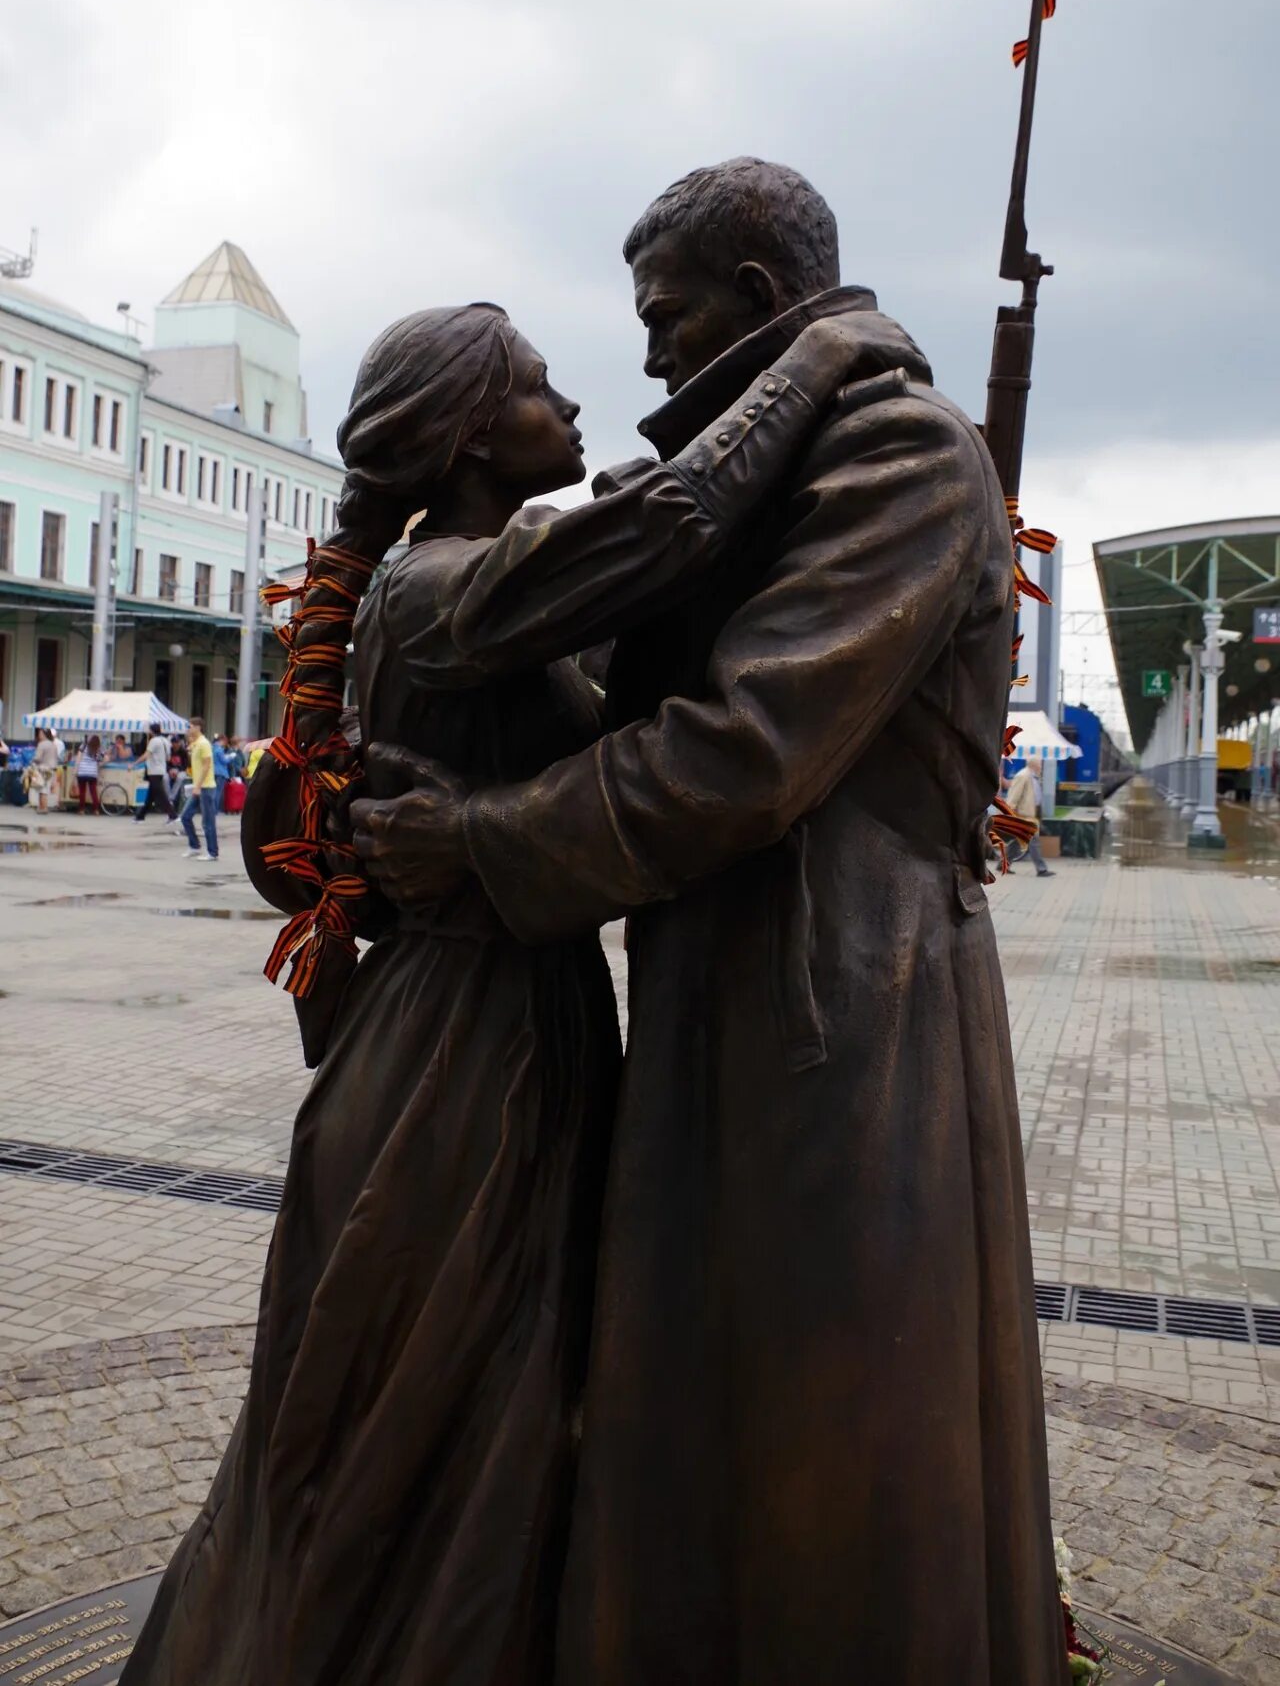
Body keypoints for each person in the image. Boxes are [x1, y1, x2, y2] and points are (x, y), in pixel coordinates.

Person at [352, 160, 1069, 1685]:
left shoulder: (901, 459)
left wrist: (476, 839)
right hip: (711, 987)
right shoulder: (768, 465)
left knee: (839, 1416)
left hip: (846, 1013)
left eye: (666, 316)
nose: (652, 354)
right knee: (686, 1402)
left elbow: (737, 752)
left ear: (754, 297)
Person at [121, 299, 874, 1686]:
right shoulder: (437, 587)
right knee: (425, 1409)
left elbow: (634, 600)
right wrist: (815, 361)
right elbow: (658, 536)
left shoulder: (479, 588)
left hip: (503, 1032)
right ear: (473, 434)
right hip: (457, 1065)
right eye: (538, 388)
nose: (571, 408)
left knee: (482, 1397)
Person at [179, 717, 218, 861]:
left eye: (190, 726)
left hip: (206, 787)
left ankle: (212, 852)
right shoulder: (195, 744)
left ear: (198, 727)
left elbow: (207, 765)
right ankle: (194, 846)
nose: (188, 729)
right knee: (185, 816)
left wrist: (198, 785)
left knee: (208, 822)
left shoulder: (204, 743)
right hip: (199, 787)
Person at [1007, 759, 1054, 876]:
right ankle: (1041, 869)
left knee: (1017, 842)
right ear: (1034, 764)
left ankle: (1003, 863)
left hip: (1030, 815)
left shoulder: (1033, 776)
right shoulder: (1023, 776)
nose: (1041, 766)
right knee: (1034, 841)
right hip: (1023, 815)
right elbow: (1014, 795)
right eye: (1040, 764)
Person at [136, 725, 177, 822]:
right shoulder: (166, 741)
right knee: (151, 794)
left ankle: (173, 815)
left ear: (151, 731)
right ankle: (140, 816)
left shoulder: (153, 741)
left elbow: (147, 754)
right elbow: (168, 758)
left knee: (160, 794)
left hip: (154, 770)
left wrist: (135, 763)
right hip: (161, 769)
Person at [28, 728, 60, 813]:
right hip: (52, 769)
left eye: (39, 733)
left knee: (42, 789)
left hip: (43, 769)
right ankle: (41, 807)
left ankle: (43, 807)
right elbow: (57, 757)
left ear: (43, 734)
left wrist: (32, 761)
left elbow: (37, 758)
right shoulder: (53, 744)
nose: (38, 735)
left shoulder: (41, 744)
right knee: (46, 788)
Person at [75, 735, 103, 814]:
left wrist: (75, 771)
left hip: (82, 772)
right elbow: (100, 761)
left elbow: (78, 758)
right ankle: (96, 810)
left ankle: (81, 810)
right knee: (93, 792)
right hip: (92, 773)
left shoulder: (83, 746)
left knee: (82, 792)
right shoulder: (99, 749)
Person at [212, 732, 231, 811]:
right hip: (221, 772)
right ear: (221, 740)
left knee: (213, 791)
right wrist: (230, 757)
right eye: (225, 741)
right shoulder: (219, 749)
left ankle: (212, 809)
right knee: (218, 792)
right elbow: (224, 761)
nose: (225, 743)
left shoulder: (212, 747)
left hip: (213, 772)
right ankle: (215, 810)